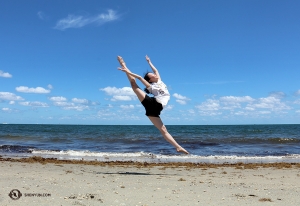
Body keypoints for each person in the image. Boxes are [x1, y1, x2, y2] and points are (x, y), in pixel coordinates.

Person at [117, 55, 189, 154]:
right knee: (134, 85)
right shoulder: (151, 86)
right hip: (153, 103)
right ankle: (123, 64)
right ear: (150, 80)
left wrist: (149, 62)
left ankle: (178, 147)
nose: (155, 75)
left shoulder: (159, 81)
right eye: (152, 76)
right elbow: (138, 77)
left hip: (155, 110)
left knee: (163, 129)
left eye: (154, 75)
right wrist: (126, 70)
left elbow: (156, 70)